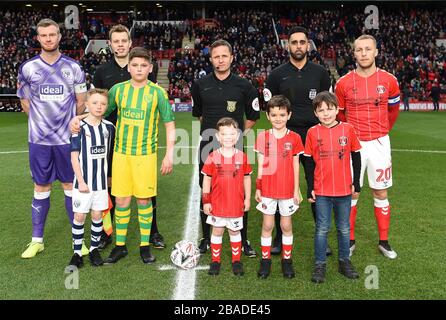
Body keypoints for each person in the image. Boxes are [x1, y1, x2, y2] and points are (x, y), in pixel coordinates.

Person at [72, 47, 175, 264]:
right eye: (135, 65)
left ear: (150, 68)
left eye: (143, 65)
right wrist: (78, 119)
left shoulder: (158, 93)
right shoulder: (118, 90)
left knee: (144, 200)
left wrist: (169, 155)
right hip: (120, 155)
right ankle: (120, 246)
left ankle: (144, 246)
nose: (139, 69)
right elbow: (98, 111)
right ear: (128, 67)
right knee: (121, 200)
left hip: (145, 155)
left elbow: (169, 124)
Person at [17, 18, 88, 259]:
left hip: (67, 140)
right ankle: (37, 240)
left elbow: (81, 102)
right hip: (39, 140)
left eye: (52, 34)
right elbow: (25, 101)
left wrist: (70, 123)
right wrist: (40, 121)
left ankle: (77, 239)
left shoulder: (74, 68)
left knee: (70, 186)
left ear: (59, 36)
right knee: (41, 186)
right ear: (38, 38)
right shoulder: (28, 68)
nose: (48, 39)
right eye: (44, 35)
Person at [92, 24, 165, 250]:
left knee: (146, 190)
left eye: (124, 40)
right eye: (116, 41)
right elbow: (97, 104)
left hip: (139, 141)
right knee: (112, 186)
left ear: (130, 43)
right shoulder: (102, 72)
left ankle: (153, 232)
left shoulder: (141, 68)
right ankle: (108, 231)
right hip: (110, 140)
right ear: (111, 44)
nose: (120, 44)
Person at [263, 26, 331, 255]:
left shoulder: (321, 73)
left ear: (308, 45)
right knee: (280, 188)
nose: (299, 46)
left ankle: (322, 236)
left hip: (314, 138)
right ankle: (279, 238)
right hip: (286, 139)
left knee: (317, 187)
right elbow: (270, 107)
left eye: (303, 42)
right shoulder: (276, 74)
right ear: (288, 46)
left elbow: (327, 106)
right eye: (294, 42)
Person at [191, 39, 260, 257]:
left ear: (231, 58)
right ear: (210, 58)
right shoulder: (200, 84)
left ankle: (244, 238)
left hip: (235, 147)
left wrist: (235, 136)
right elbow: (200, 115)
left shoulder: (245, 86)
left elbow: (253, 116)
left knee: (238, 191)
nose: (220, 60)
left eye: (224, 56)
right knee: (207, 189)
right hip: (207, 145)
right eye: (216, 56)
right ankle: (206, 238)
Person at [335, 34, 400, 259]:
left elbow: (393, 111)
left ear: (376, 52)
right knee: (352, 192)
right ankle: (350, 240)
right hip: (353, 146)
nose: (363, 53)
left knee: (380, 191)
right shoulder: (343, 83)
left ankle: (384, 241)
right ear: (354, 53)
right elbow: (340, 115)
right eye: (359, 49)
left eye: (367, 49)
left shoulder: (389, 80)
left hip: (380, 143)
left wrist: (382, 132)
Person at [304, 91, 361, 283]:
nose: (326, 113)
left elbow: (356, 155)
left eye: (329, 109)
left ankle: (344, 261)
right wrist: (310, 186)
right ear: (315, 113)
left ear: (337, 109)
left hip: (344, 190)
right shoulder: (312, 132)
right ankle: (320, 264)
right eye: (321, 110)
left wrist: (357, 183)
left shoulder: (348, 129)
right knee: (322, 228)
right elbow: (308, 162)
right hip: (321, 190)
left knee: (344, 228)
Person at [254, 95, 304, 279]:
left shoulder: (296, 138)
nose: (278, 118)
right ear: (267, 116)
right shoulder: (262, 137)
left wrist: (296, 189)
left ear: (289, 115)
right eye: (274, 114)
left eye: (282, 114)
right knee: (267, 225)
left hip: (286, 190)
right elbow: (260, 164)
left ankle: (287, 261)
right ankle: (265, 260)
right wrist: (258, 187)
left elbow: (295, 165)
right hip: (267, 188)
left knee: (285, 224)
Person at [68, 88, 115, 268]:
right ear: (86, 105)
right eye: (94, 103)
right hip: (83, 182)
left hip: (101, 183)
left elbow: (110, 155)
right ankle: (77, 253)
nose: (99, 106)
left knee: (97, 215)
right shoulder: (79, 127)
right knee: (80, 216)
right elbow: (74, 156)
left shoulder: (109, 128)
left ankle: (94, 249)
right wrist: (80, 180)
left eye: (103, 103)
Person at [201, 117, 252, 276]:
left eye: (231, 134)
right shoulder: (212, 157)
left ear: (237, 136)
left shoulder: (242, 157)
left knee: (234, 232)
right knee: (217, 231)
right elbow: (207, 179)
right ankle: (215, 261)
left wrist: (248, 198)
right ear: (218, 137)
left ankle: (236, 261)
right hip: (217, 204)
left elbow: (246, 177)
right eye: (224, 134)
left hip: (235, 204)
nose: (228, 137)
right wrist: (206, 201)